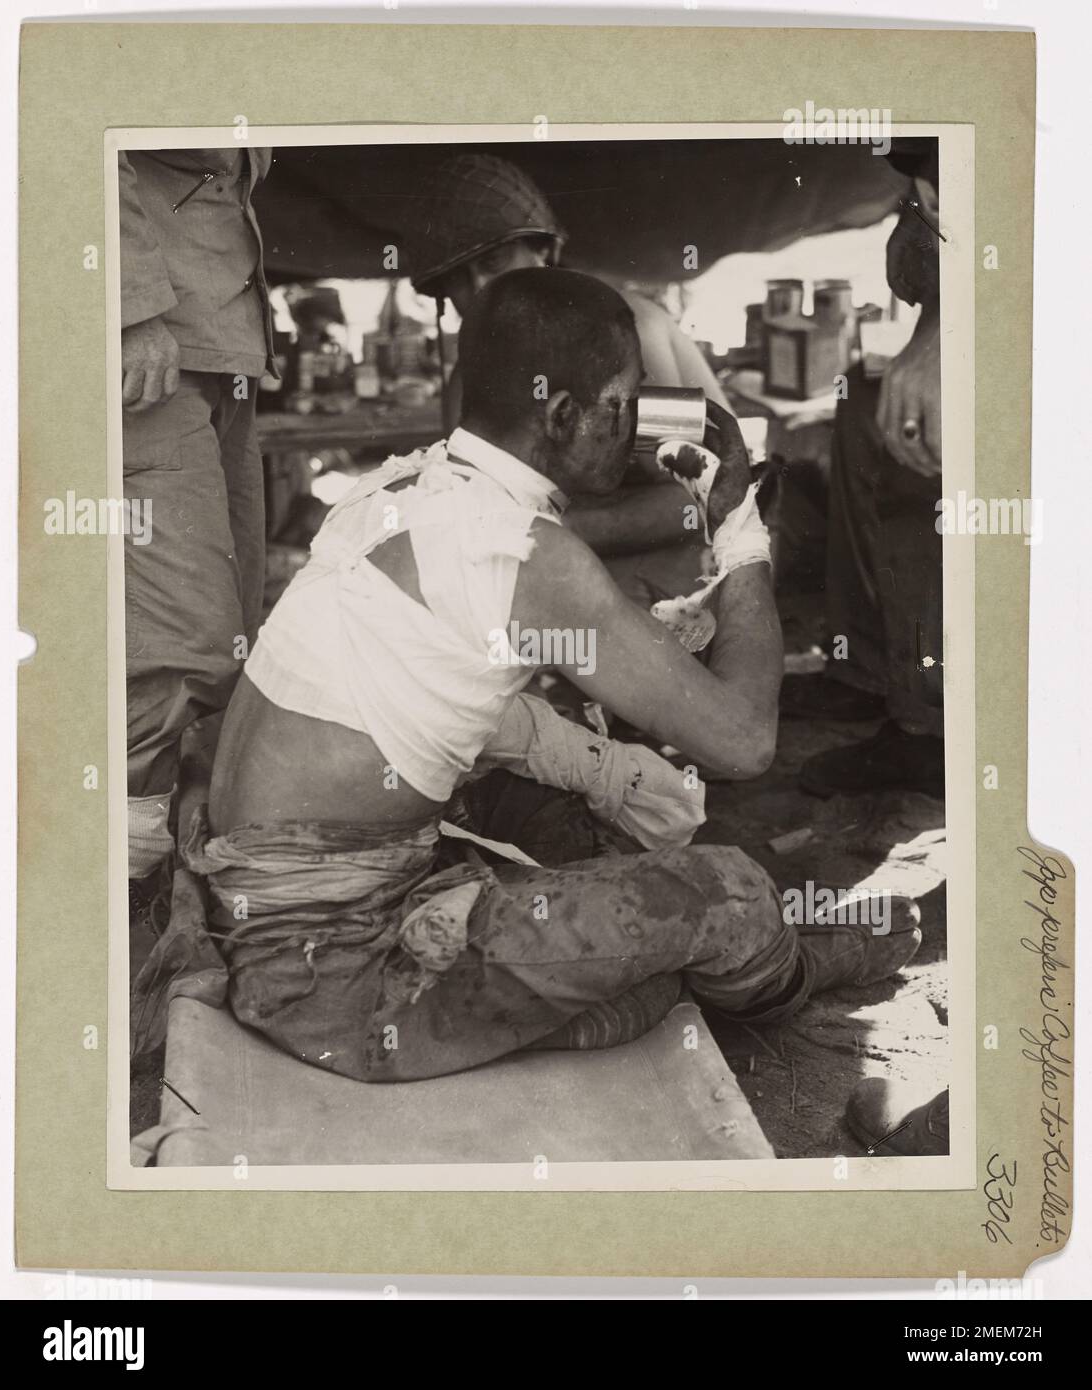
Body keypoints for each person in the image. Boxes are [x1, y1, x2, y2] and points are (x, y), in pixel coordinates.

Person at [183, 268, 921, 1083]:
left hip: (272, 889)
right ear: (562, 414)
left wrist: (598, 767)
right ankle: (781, 974)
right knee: (722, 891)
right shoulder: (527, 555)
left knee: (589, 814)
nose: (634, 424)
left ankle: (651, 964)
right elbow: (745, 742)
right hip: (331, 978)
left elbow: (418, 689)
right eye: (623, 403)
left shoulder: (394, 484)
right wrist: (739, 527)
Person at [402, 152, 732, 610]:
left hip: (687, 561)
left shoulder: (628, 335)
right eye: (458, 279)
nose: (479, 287)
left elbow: (706, 497)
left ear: (544, 252)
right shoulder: (470, 377)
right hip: (563, 563)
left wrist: (547, 530)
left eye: (494, 261)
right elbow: (470, 506)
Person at [120, 147, 276, 931]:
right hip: (154, 345)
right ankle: (115, 898)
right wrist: (129, 307)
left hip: (222, 342)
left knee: (239, 628)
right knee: (181, 640)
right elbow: (76, 121)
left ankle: (169, 883)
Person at [781, 141, 944, 798]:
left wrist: (942, 340)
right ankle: (866, 668)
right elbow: (923, 256)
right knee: (860, 395)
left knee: (908, 429)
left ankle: (929, 729)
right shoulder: (919, 161)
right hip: (965, 320)